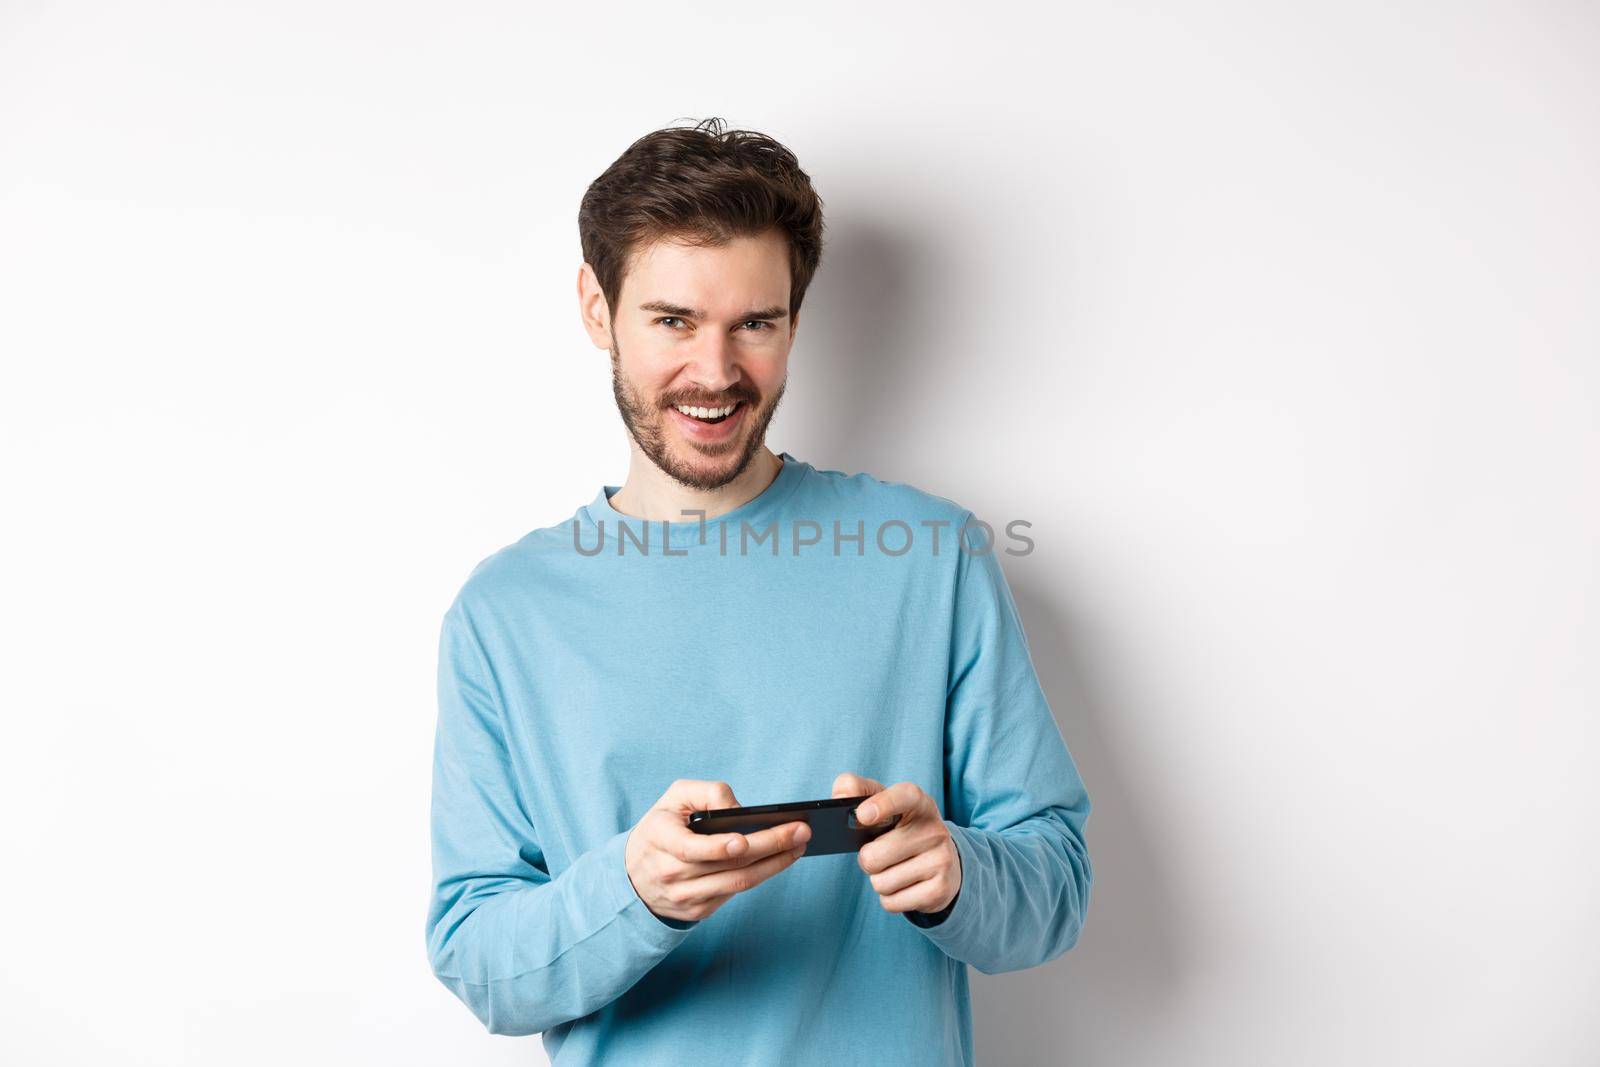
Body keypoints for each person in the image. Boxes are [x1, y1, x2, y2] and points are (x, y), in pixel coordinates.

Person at [424, 117, 1092, 1066]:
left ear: (794, 321)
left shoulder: (930, 558)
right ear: (595, 309)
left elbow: (1056, 888)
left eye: (755, 323)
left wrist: (957, 875)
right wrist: (636, 888)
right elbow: (479, 963)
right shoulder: (505, 614)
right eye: (672, 320)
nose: (716, 372)